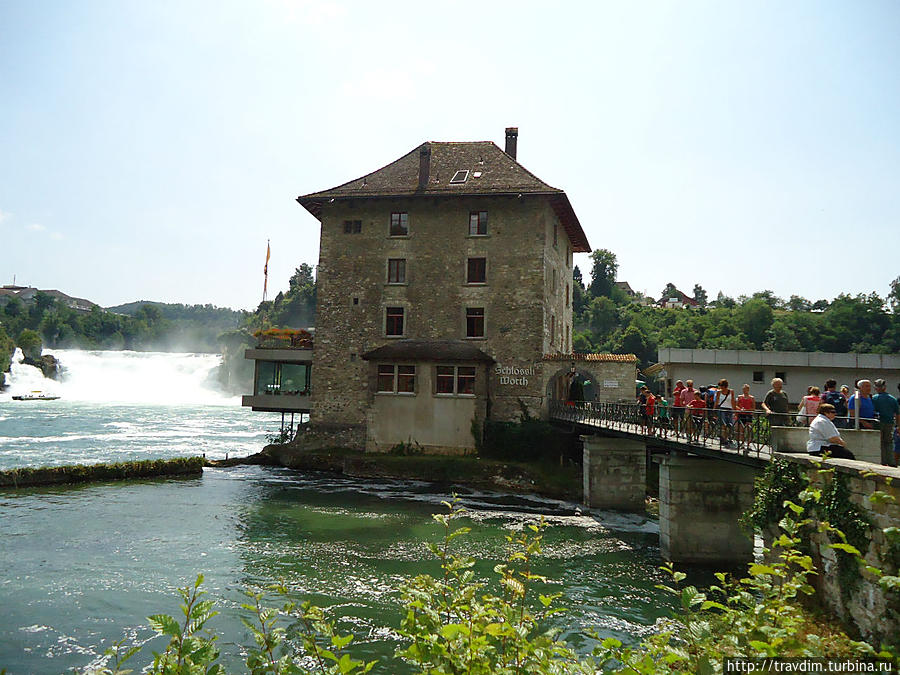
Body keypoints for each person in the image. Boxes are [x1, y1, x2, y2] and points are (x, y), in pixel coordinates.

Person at [872, 378, 900, 466]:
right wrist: (898, 426)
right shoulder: (892, 399)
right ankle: (891, 462)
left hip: (878, 422)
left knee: (880, 442)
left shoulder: (874, 398)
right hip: (890, 422)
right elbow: (898, 414)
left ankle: (883, 462)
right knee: (889, 442)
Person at [715, 378, 737, 448]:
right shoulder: (718, 392)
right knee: (723, 424)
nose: (721, 388)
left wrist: (735, 411)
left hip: (729, 409)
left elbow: (733, 401)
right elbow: (716, 402)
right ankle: (723, 439)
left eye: (721, 386)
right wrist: (714, 410)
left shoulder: (731, 391)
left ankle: (727, 438)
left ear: (725, 386)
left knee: (729, 424)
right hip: (721, 409)